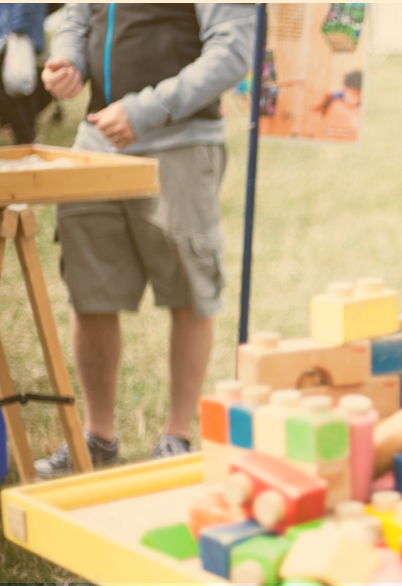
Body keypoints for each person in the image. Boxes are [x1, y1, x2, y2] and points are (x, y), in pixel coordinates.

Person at [34, 4, 255, 478]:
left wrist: (146, 110)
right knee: (90, 291)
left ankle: (176, 436)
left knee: (189, 293)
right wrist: (68, 58)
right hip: (96, 143)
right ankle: (97, 438)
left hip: (181, 142)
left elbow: (234, 50)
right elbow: (78, 16)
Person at [0, 3, 52, 144]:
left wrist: (16, 28)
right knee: (16, 89)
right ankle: (24, 135)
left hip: (15, 35)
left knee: (16, 88)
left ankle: (26, 138)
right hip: (7, 34)